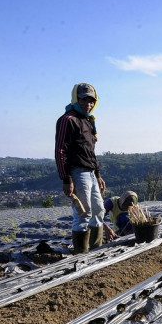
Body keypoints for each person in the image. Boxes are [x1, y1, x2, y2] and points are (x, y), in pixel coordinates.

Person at [55, 83, 106, 254]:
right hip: (77, 172)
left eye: (91, 101)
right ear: (76, 99)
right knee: (83, 213)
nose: (88, 104)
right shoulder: (68, 120)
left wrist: (98, 175)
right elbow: (60, 151)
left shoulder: (88, 121)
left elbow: (90, 152)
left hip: (90, 173)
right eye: (84, 100)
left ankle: (96, 250)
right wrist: (66, 179)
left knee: (99, 210)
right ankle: (81, 254)